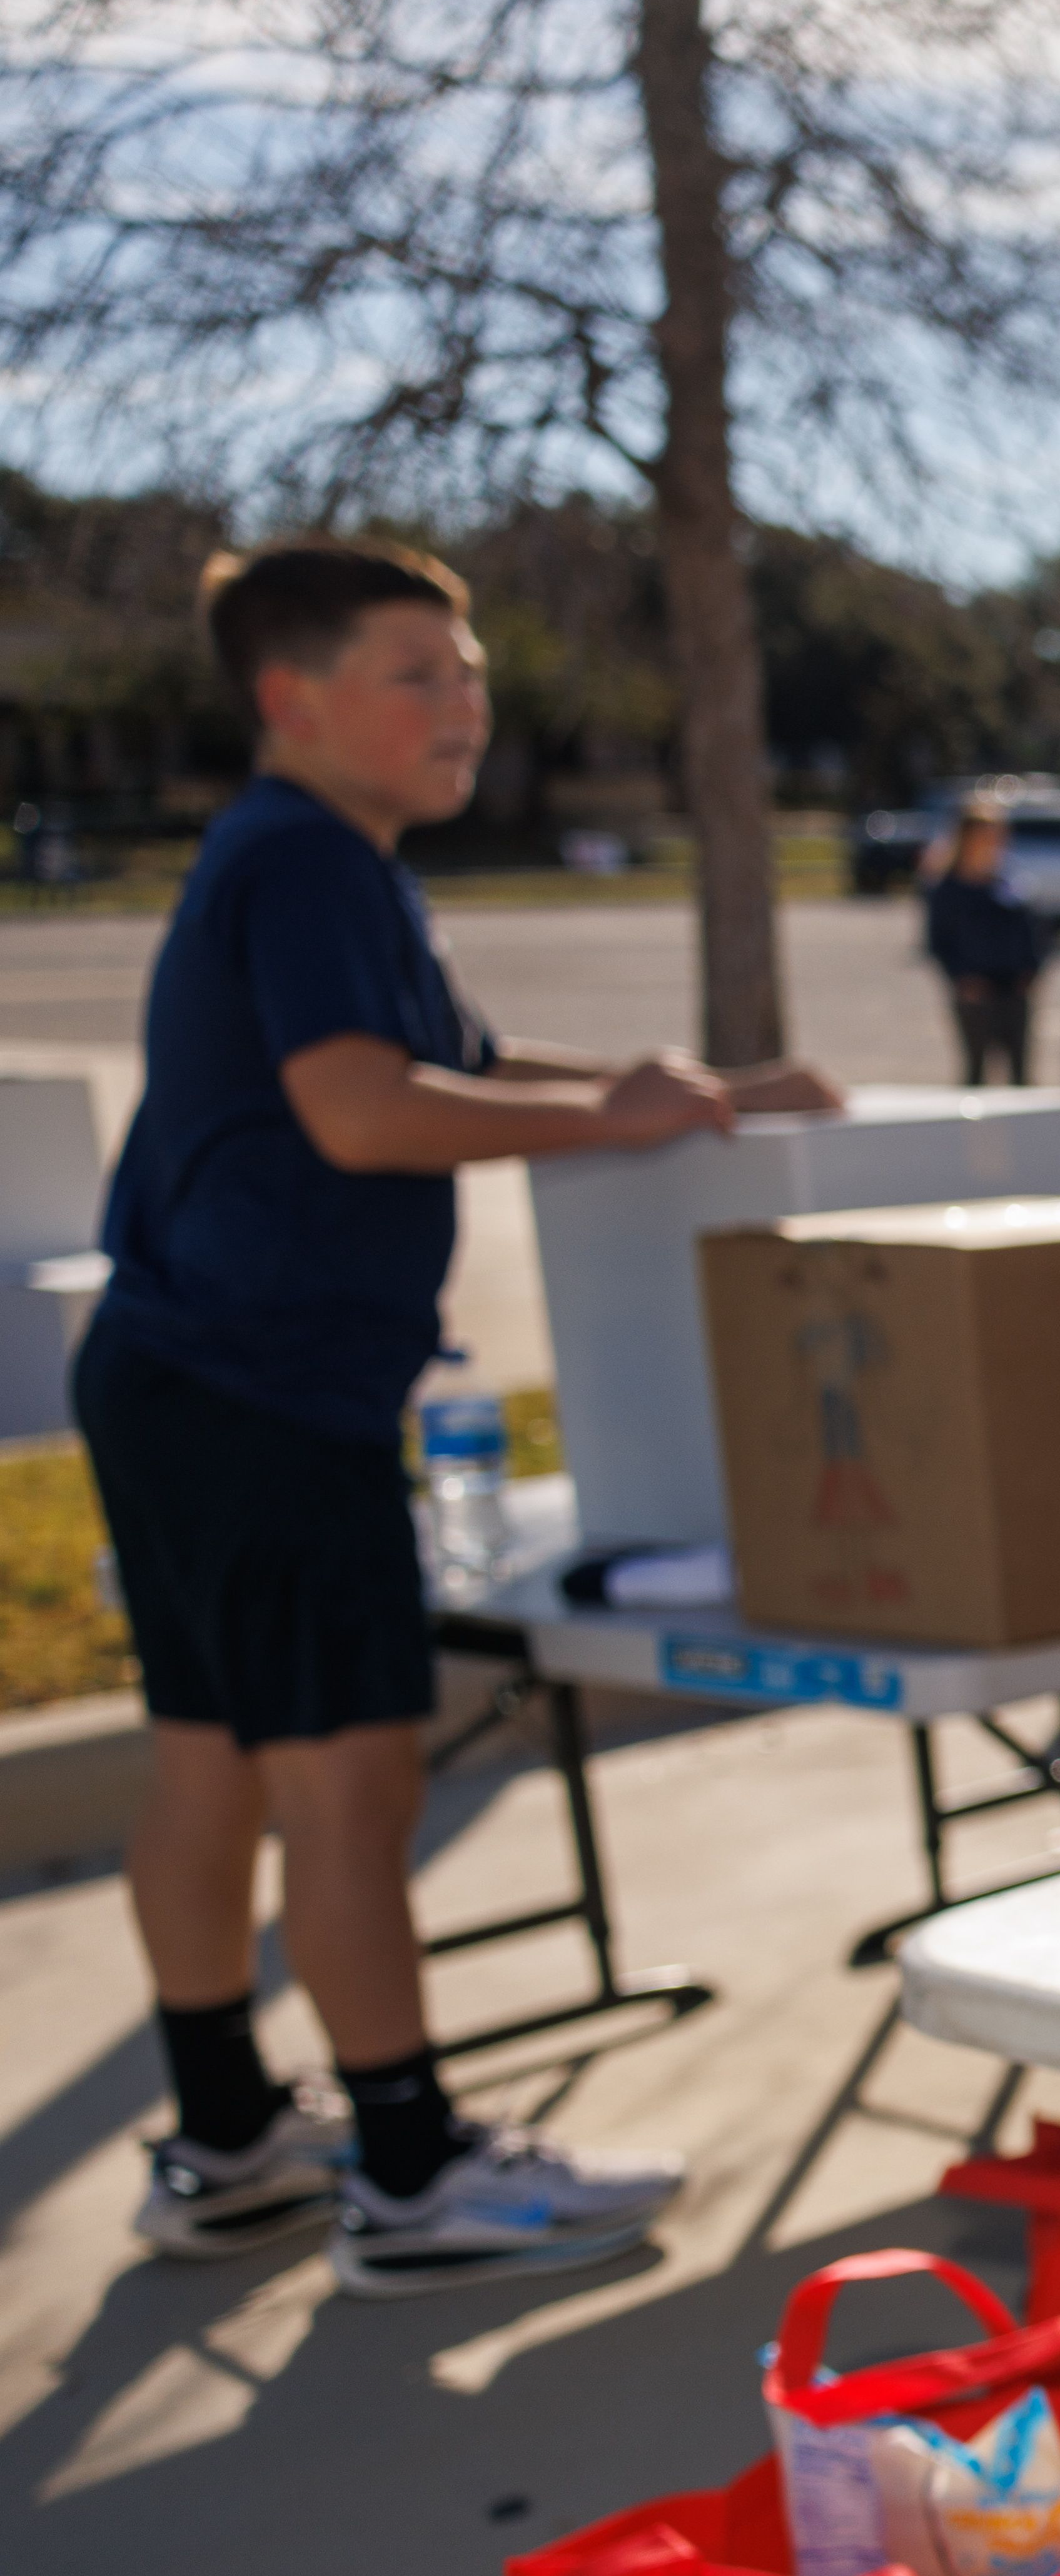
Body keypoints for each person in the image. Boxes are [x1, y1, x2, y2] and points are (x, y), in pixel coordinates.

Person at [91, 538, 837, 2293]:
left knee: (207, 1761)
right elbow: (361, 1110)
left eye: (473, 670)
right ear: (294, 698)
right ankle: (414, 2173)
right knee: (344, 1788)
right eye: (415, 673)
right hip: (264, 1395)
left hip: (183, 1378)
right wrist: (621, 1126)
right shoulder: (309, 860)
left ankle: (223, 2143)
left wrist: (699, 1096)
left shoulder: (312, 862)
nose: (466, 706)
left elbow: (472, 1068)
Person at [917, 797, 1047, 1085]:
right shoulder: (948, 889)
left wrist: (1032, 971)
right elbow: (937, 943)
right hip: (975, 993)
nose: (992, 844)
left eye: (997, 837)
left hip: (1013, 990)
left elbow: (1033, 934)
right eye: (985, 836)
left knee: (1021, 1075)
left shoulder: (1009, 882)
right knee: (976, 1072)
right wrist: (961, 979)